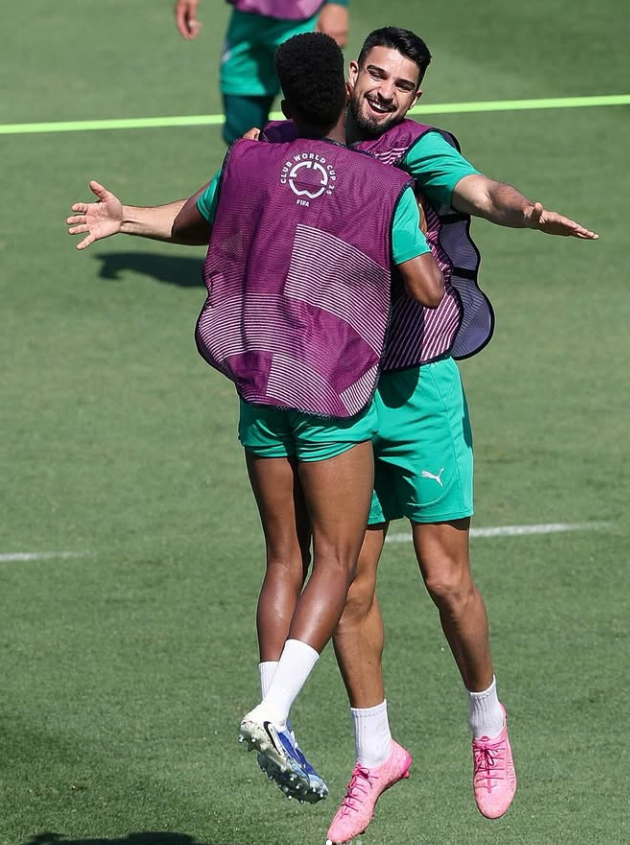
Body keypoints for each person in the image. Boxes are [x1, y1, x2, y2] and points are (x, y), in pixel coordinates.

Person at [66, 31, 444, 804]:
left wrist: (125, 217)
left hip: (260, 384)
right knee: (337, 562)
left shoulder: (247, 156)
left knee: (283, 558)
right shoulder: (383, 186)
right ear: (342, 89)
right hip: (331, 396)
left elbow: (198, 218)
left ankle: (283, 724)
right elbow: (429, 292)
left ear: (280, 97)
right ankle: (273, 712)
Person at [258, 26, 597, 843]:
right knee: (349, 584)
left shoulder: (418, 150)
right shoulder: (298, 140)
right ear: (350, 74)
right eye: (374, 74)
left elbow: (479, 191)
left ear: (415, 98)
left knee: (447, 580)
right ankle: (373, 754)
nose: (383, 91)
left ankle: (486, 723)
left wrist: (526, 212)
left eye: (400, 84)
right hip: (337, 390)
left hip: (417, 389)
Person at [174, 0, 350, 143]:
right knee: (240, 130)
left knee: (318, 124)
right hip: (247, 14)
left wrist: (338, 3)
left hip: (305, 16)